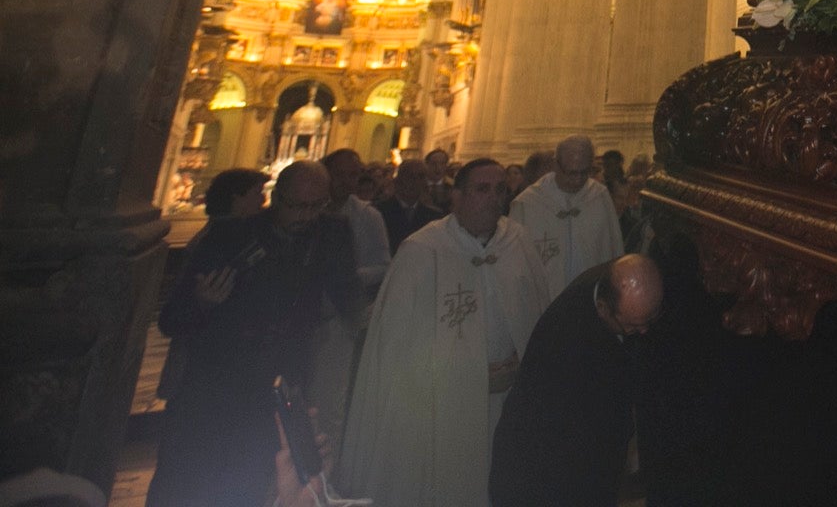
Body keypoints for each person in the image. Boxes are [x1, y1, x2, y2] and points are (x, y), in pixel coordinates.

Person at [341, 159, 552, 507]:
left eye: (500, 189)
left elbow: (538, 319)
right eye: (482, 189)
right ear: (457, 195)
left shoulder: (518, 243)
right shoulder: (423, 251)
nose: (493, 198)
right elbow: (399, 348)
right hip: (440, 407)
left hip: (509, 400)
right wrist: (468, 373)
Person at [147, 161, 359, 507]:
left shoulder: (332, 235)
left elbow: (348, 299)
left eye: (315, 206)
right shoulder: (230, 236)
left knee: (249, 484)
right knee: (183, 484)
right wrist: (203, 303)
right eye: (295, 205)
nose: (305, 216)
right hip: (212, 387)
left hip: (274, 391)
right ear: (276, 198)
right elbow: (171, 320)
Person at [489, 255, 664, 507]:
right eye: (633, 326)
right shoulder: (564, 341)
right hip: (545, 473)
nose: (644, 332)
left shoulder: (614, 287)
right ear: (603, 309)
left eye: (650, 319)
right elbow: (568, 444)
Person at [157, 168, 271, 403]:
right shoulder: (221, 240)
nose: (262, 200)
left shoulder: (223, 234)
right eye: (256, 193)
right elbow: (174, 315)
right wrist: (201, 303)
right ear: (236, 199)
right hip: (207, 361)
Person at [306, 148, 391, 465]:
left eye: (354, 175)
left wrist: (346, 275)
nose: (347, 181)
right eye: (340, 174)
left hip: (338, 319)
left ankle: (330, 470)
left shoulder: (368, 215)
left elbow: (384, 265)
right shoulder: (311, 210)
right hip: (302, 319)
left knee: (331, 401)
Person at [509, 135, 624, 299]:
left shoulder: (599, 196)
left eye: (584, 172)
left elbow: (614, 249)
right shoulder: (528, 204)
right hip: (546, 302)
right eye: (571, 173)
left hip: (590, 299)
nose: (577, 180)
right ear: (556, 165)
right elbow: (514, 263)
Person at [375, 158, 444, 254]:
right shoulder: (378, 212)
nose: (414, 182)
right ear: (399, 179)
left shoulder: (434, 217)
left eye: (420, 176)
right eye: (410, 176)